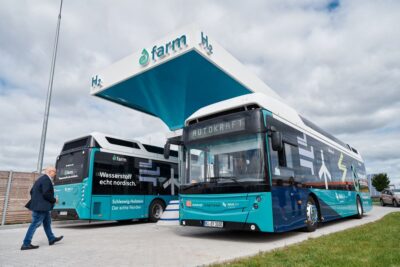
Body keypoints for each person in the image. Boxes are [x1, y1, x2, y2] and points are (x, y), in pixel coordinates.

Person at [21, 166, 63, 250]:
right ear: (50, 172)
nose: (55, 174)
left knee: (47, 222)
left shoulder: (41, 179)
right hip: (41, 207)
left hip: (42, 206)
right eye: (54, 172)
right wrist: (55, 200)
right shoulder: (46, 180)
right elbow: (46, 193)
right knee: (35, 224)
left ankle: (51, 239)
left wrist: (37, 199)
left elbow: (32, 191)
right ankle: (26, 244)